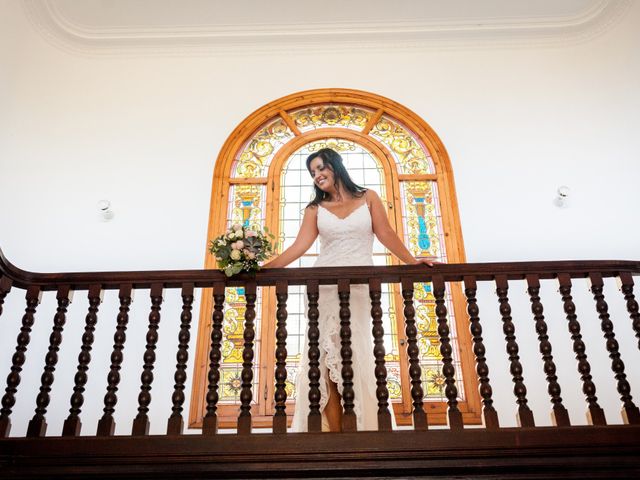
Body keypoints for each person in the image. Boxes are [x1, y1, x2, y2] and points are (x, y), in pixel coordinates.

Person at [264, 148, 435, 432]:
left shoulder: (368, 198)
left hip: (358, 288)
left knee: (351, 352)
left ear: (335, 166)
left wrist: (412, 261)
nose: (317, 175)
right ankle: (335, 431)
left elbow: (386, 234)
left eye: (321, 168)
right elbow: (299, 247)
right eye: (313, 172)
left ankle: (359, 425)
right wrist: (261, 269)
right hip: (325, 287)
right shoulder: (314, 209)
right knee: (323, 354)